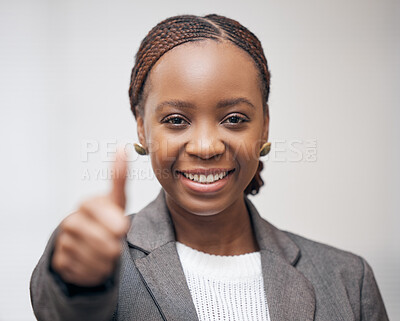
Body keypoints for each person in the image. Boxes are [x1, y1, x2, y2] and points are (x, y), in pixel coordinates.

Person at [30, 14, 389, 321]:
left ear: (264, 125)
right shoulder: (100, 261)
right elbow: (63, 309)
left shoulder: (346, 279)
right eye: (175, 120)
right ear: (142, 127)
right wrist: (78, 283)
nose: (206, 147)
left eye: (234, 119)